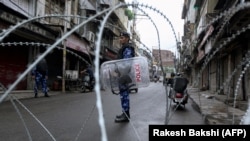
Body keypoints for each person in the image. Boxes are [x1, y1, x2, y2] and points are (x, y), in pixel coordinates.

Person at [114, 31, 135, 122]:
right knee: (123, 95)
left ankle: (126, 115)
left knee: (125, 95)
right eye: (120, 38)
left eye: (122, 38)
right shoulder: (123, 48)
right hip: (122, 75)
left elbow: (126, 64)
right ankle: (124, 113)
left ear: (127, 38)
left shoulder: (127, 49)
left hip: (124, 76)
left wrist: (119, 71)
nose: (120, 39)